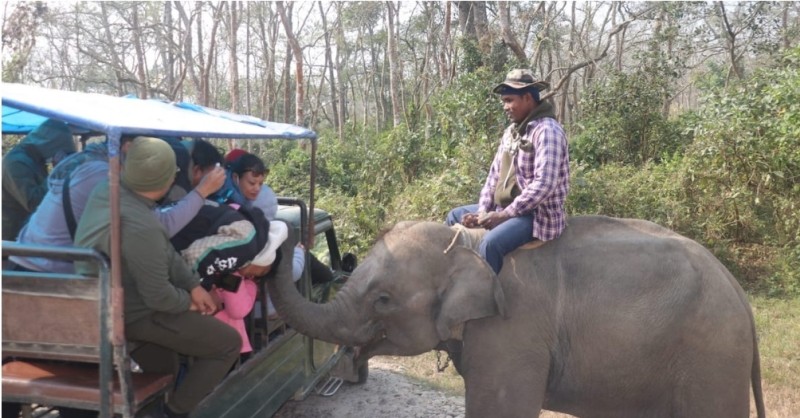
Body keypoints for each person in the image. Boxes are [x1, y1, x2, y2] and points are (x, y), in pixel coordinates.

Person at [74, 137, 240, 418]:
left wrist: (192, 285)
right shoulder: (140, 226)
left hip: (101, 301)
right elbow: (160, 297)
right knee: (228, 344)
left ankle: (152, 409)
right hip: (132, 312)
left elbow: (164, 249)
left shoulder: (109, 191)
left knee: (166, 368)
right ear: (169, 179)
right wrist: (193, 304)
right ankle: (173, 412)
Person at [9, 138, 225, 273]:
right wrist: (201, 192)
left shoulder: (92, 164)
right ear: (128, 147)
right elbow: (158, 226)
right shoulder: (105, 178)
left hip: (33, 261)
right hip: (47, 272)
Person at [445, 69, 570, 274]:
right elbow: (494, 175)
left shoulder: (547, 131)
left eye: (510, 100)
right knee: (454, 216)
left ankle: (484, 299)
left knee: (491, 244)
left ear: (528, 98)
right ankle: (458, 277)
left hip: (536, 214)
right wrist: (483, 211)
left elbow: (544, 185)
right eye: (504, 101)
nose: (505, 107)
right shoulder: (511, 132)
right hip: (506, 208)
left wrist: (504, 215)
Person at [2, 119, 76, 240]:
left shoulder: (34, 159)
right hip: (12, 238)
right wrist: (58, 170)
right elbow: (34, 202)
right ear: (51, 144)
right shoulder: (16, 162)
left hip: (25, 234)